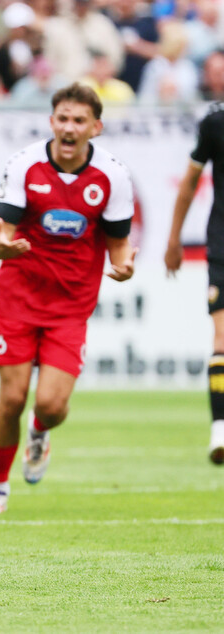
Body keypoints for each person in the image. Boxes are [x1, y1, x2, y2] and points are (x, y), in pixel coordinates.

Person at [0, 83, 137, 514]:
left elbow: (119, 245)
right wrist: (2, 248)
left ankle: (41, 431)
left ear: (95, 127)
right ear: (52, 122)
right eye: (62, 118)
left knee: (50, 403)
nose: (69, 127)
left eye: (79, 120)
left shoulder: (113, 176)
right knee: (11, 399)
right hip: (18, 297)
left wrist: (123, 267)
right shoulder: (24, 164)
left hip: (71, 305)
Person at [164, 100, 224, 465]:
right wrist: (173, 239)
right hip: (223, 246)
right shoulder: (215, 122)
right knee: (222, 337)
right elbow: (189, 182)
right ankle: (221, 430)